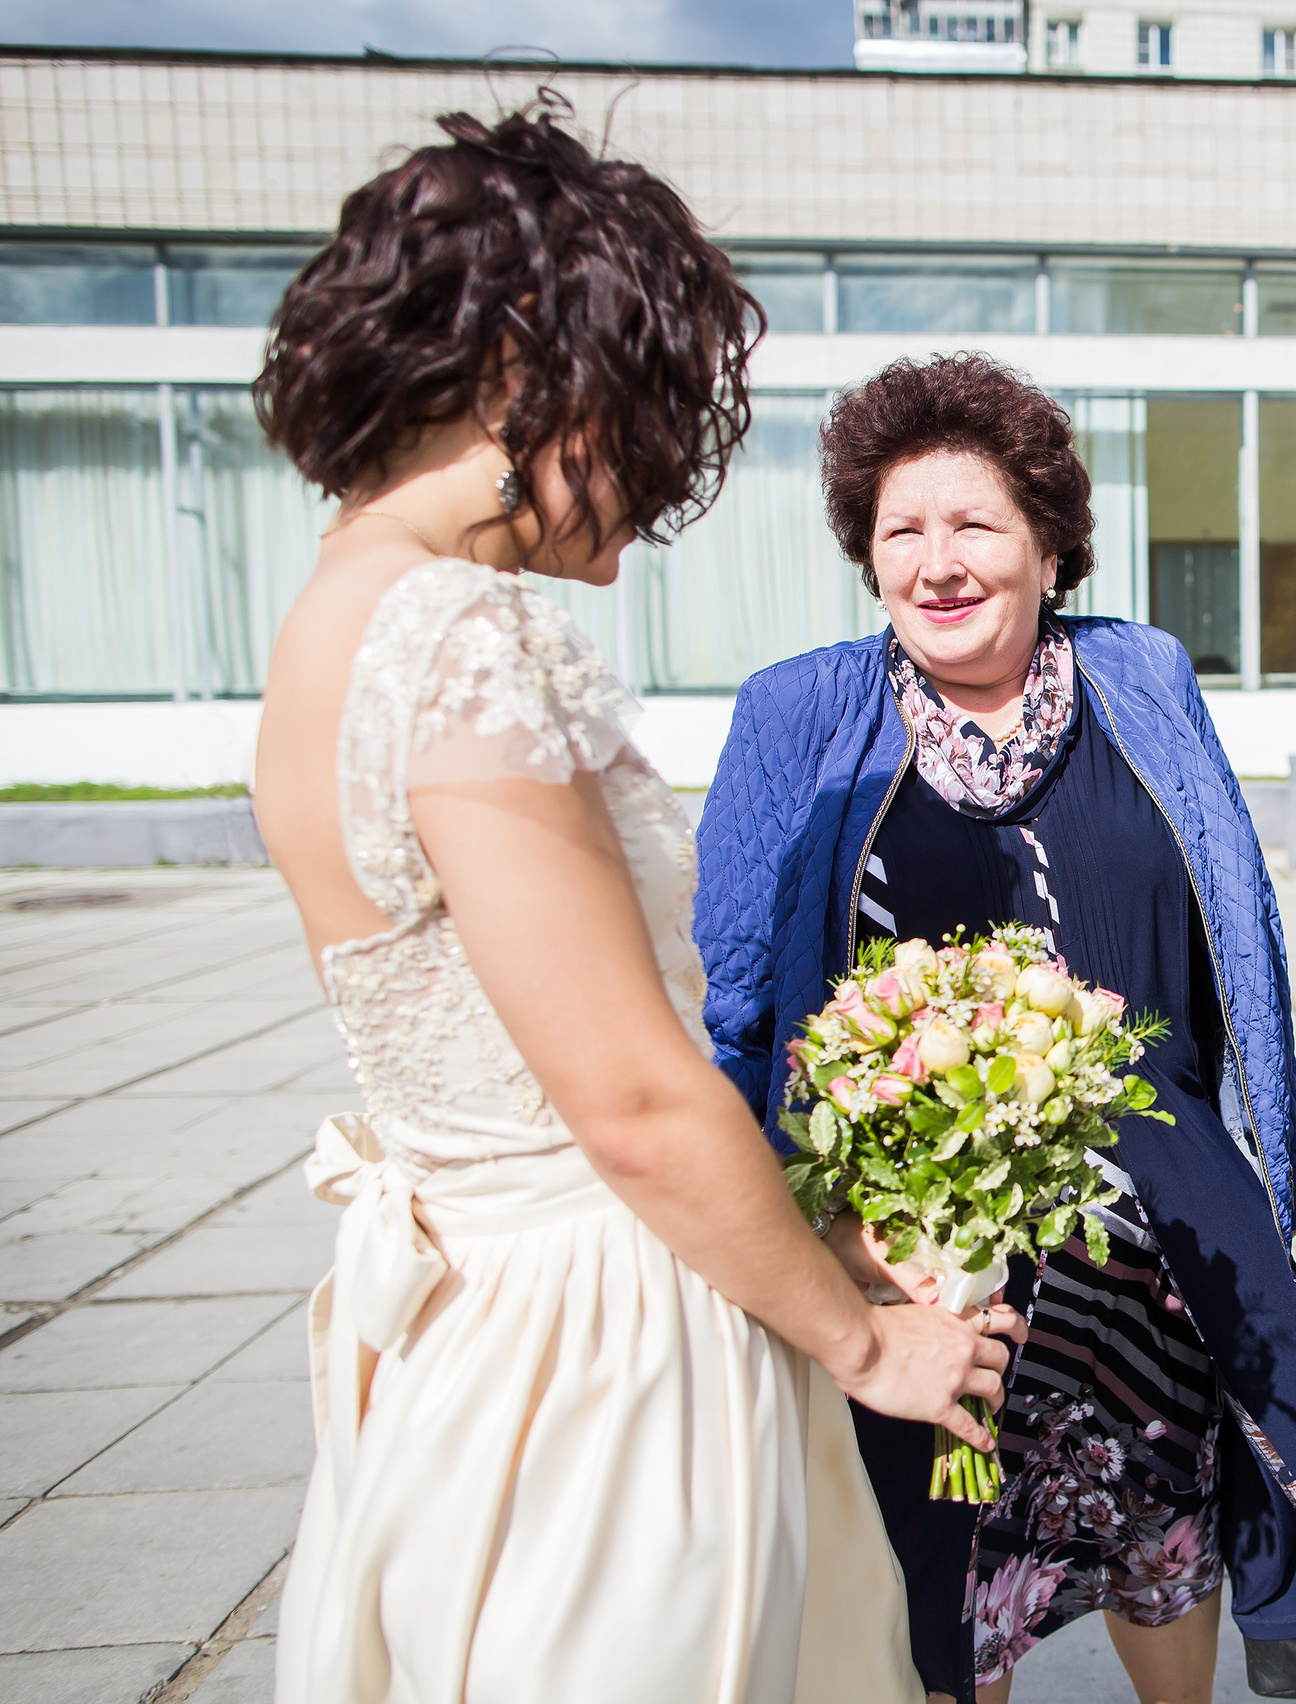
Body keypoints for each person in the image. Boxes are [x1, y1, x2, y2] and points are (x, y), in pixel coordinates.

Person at [251, 101, 1019, 1704]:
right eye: (641, 434)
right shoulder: (456, 629)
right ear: (531, 372)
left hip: (461, 1302)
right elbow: (632, 1102)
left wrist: (812, 1236)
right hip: (597, 1335)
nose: (632, 533)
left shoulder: (327, 617)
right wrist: (870, 1345)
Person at [693, 353, 1296, 1704]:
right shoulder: (797, 713)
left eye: (974, 524)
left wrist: (1286, 1184)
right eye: (901, 532)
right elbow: (741, 992)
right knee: (949, 1572)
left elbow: (1240, 938)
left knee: (1162, 1529)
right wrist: (792, 1224)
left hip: (1152, 1246)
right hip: (926, 1255)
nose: (937, 562)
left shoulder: (1142, 675)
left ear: (1049, 546)